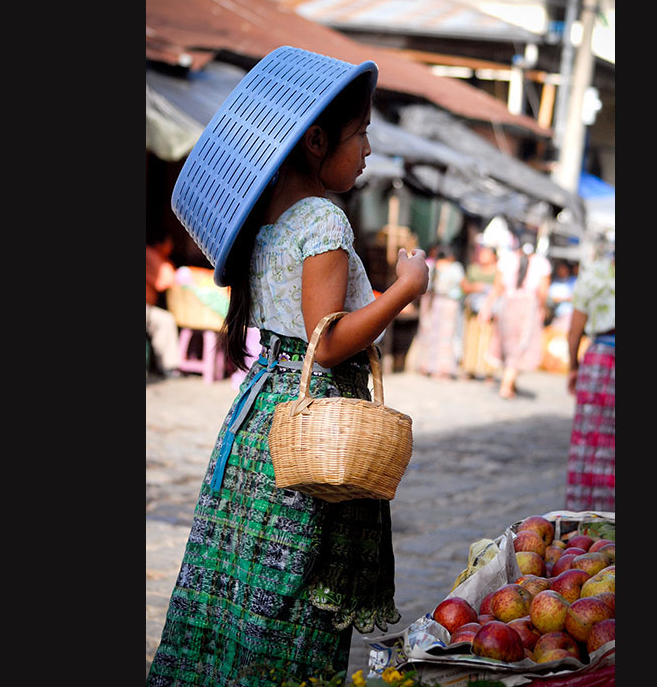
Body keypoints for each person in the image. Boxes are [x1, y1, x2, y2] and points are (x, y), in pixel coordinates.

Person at [147, 49, 429, 687]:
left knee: (237, 587)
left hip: (261, 419)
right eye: (360, 135)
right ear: (316, 140)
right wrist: (405, 288)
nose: (367, 151)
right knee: (291, 598)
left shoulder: (265, 220)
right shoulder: (323, 218)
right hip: (313, 426)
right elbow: (326, 344)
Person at [564, 243, 615, 512]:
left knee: (589, 444)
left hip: (599, 362)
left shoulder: (594, 275)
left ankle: (584, 515)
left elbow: (574, 332)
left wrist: (573, 366)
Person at [479, 234, 551, 399]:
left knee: (509, 344)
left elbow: (497, 287)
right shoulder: (541, 263)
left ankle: (510, 382)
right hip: (528, 307)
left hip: (507, 304)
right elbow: (543, 292)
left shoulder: (507, 259)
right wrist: (542, 309)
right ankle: (506, 385)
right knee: (520, 346)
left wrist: (487, 306)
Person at [415, 244, 465, 378]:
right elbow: (463, 286)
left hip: (433, 303)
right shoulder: (455, 268)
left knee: (429, 335)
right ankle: (443, 369)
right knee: (446, 337)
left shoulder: (431, 266)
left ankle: (426, 365)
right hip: (449, 304)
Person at [460, 242, 498, 380]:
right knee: (471, 338)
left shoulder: (498, 271)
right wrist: (476, 287)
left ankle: (489, 372)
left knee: (489, 339)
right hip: (473, 309)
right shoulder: (474, 269)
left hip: (491, 310)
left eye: (486, 254)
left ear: (493, 256)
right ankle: (470, 369)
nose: (482, 256)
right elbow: (464, 285)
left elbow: (501, 288)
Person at [146, 235, 182, 379]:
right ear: (161, 244)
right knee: (165, 320)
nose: (171, 248)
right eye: (169, 243)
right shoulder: (150, 253)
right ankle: (169, 367)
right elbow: (168, 280)